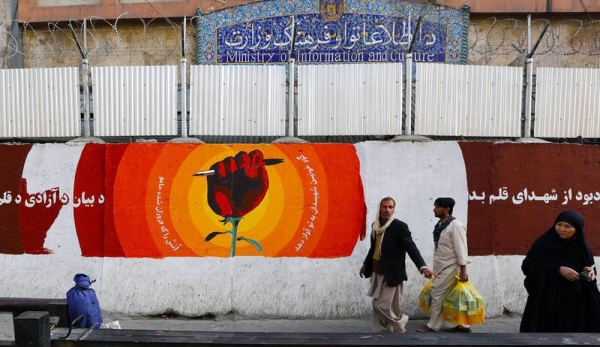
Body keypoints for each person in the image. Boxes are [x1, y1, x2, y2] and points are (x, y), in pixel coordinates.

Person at [359, 197, 434, 333]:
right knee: (384, 306)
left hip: (392, 273)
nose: (387, 210)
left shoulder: (399, 227)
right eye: (384, 207)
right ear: (379, 208)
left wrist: (423, 267)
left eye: (390, 207)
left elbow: (411, 247)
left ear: (394, 209)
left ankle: (400, 324)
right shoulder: (375, 226)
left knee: (381, 305)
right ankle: (383, 332)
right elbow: (373, 247)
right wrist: (365, 263)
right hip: (377, 271)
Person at [520, 210, 600, 332]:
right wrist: (558, 269)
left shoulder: (582, 246)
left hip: (574, 300)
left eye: (568, 226)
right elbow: (528, 267)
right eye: (559, 224)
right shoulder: (544, 244)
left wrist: (589, 271)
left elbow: (590, 266)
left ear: (577, 228)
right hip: (547, 299)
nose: (561, 229)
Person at [416, 197, 471, 333]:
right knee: (454, 296)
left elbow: (461, 249)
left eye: (437, 207)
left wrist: (463, 270)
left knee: (436, 293)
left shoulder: (456, 226)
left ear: (447, 209)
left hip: (451, 267)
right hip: (441, 266)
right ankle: (464, 325)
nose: (434, 209)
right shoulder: (441, 225)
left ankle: (433, 325)